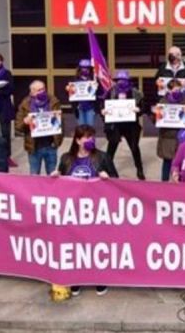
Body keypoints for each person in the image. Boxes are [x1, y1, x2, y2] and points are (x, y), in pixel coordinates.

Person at [55, 125, 116, 297]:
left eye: (92, 137)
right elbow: (59, 180)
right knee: (75, 247)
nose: (90, 140)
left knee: (96, 245)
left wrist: (107, 178)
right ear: (77, 140)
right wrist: (55, 176)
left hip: (95, 211)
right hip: (73, 211)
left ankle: (98, 278)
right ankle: (77, 279)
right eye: (86, 137)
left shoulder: (102, 157)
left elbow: (117, 181)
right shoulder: (66, 158)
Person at [101, 70, 145, 180]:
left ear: (128, 81)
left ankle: (139, 170)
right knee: (111, 149)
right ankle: (108, 171)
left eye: (124, 80)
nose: (121, 82)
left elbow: (144, 108)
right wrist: (103, 111)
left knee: (134, 148)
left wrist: (138, 109)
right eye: (119, 80)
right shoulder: (110, 92)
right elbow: (102, 105)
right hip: (115, 126)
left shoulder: (136, 93)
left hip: (131, 126)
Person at [16, 81, 64, 176]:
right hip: (34, 147)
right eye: (38, 90)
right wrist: (25, 122)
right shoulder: (25, 105)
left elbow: (62, 123)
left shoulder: (53, 101)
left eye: (43, 89)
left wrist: (58, 141)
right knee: (34, 176)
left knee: (52, 176)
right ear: (32, 92)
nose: (42, 92)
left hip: (51, 145)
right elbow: (18, 126)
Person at [157, 79, 185, 182]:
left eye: (179, 89)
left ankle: (180, 183)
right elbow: (157, 118)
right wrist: (157, 116)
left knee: (180, 162)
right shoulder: (162, 101)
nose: (177, 91)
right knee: (167, 162)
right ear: (169, 90)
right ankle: (164, 183)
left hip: (181, 135)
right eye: (175, 89)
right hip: (167, 136)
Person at [68, 59, 99, 131]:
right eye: (83, 68)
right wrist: (69, 90)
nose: (85, 70)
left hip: (90, 108)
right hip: (79, 108)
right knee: (81, 129)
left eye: (87, 68)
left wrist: (97, 88)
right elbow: (71, 95)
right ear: (80, 69)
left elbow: (97, 95)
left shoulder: (93, 80)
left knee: (90, 128)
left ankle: (90, 142)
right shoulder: (75, 80)